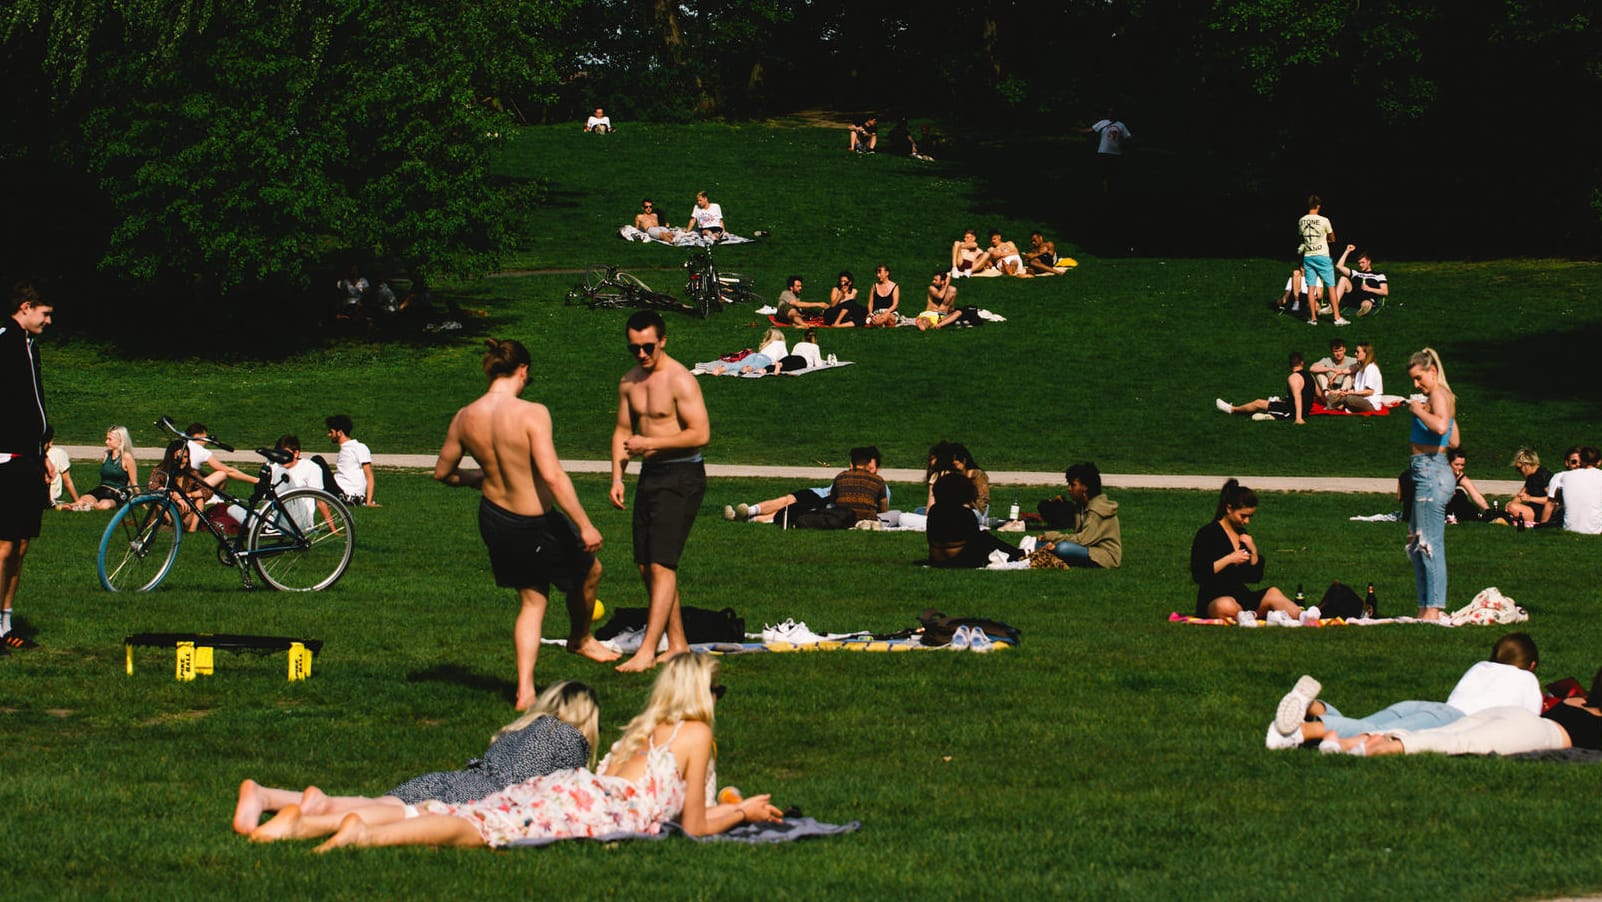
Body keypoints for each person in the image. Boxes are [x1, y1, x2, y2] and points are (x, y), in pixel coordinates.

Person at [257, 654, 783, 850]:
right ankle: (364, 835)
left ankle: (304, 824)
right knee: (481, 831)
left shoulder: (642, 731)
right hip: (600, 807)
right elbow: (690, 824)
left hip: (569, 790)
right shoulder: (694, 734)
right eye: (718, 693)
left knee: (472, 813)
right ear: (700, 696)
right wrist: (741, 812)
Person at [436, 339, 618, 709]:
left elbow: (443, 473)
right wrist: (584, 524)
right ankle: (580, 639)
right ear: (523, 370)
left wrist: (478, 479)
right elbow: (552, 475)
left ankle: (525, 692)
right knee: (591, 571)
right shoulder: (532, 412)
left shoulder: (464, 416)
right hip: (536, 523)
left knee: (533, 601)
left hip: (495, 518)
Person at [235, 680, 601, 835]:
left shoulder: (519, 729)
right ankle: (299, 823)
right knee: (391, 816)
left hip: (451, 778)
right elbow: (531, 788)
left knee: (378, 804)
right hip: (476, 795)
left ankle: (270, 796)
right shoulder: (569, 739)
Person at [611, 311, 710, 673]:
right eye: (634, 348)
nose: (641, 354)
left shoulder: (680, 380)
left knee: (661, 564)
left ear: (663, 340)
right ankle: (679, 644)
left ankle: (647, 651)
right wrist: (616, 477)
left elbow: (700, 433)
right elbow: (622, 431)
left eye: (647, 347)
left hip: (683, 475)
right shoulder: (629, 382)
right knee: (645, 565)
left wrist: (649, 442)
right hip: (650, 475)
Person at [1265, 633, 1541, 750]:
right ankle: (1301, 731)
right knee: (1374, 731)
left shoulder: (1481, 667)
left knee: (1369, 722)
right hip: (1454, 720)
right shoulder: (1527, 681)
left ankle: (1314, 706)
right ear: (1532, 665)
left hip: (1425, 707)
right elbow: (1527, 722)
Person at [1347, 665, 1602, 759]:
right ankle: (1384, 749)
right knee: (1457, 741)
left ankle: (1354, 742)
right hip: (1537, 731)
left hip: (1512, 714)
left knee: (1444, 731)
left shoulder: (1577, 701)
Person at [0, 283, 52, 652]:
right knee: (3, 546)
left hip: (31, 459)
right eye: (45, 314)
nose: (48, 321)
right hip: (7, 459)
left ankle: (5, 623)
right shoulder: (5, 342)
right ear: (26, 307)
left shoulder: (30, 348)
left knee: (20, 546)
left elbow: (34, 403)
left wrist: (44, 450)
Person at [1189, 479, 1305, 623]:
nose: (1246, 521)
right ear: (1229, 509)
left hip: (1241, 596)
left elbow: (1254, 577)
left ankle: (1303, 616)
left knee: (1273, 592)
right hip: (1214, 597)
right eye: (1243, 516)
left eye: (1250, 516)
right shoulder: (1207, 534)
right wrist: (1230, 559)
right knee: (1226, 605)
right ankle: (1252, 617)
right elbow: (1199, 574)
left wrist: (1253, 551)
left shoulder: (1242, 535)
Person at [1405, 347, 1458, 620]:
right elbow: (1454, 438)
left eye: (1419, 378)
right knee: (1417, 543)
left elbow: (1439, 428)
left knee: (1429, 544)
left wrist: (1418, 411)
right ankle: (1425, 606)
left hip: (1430, 471)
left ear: (1432, 372)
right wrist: (1428, 411)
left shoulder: (1439, 393)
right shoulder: (1444, 397)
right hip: (1428, 471)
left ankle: (1433, 609)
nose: (1417, 385)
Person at [727, 446, 888, 527]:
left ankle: (748, 518)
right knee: (786, 501)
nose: (868, 471)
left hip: (826, 502)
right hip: (819, 495)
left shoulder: (880, 485)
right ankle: (748, 512)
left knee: (788, 511)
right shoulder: (845, 477)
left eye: (871, 468)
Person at [927, 473, 1023, 568]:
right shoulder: (965, 513)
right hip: (959, 559)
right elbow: (975, 540)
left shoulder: (934, 511)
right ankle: (1018, 553)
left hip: (937, 558)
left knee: (983, 537)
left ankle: (1017, 553)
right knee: (985, 537)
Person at [1035, 462, 1122, 569]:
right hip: (1088, 548)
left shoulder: (1097, 509)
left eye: (1073, 485)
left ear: (1085, 487)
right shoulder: (1081, 506)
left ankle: (1047, 551)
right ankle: (1040, 549)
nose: (1069, 489)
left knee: (1063, 548)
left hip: (1104, 555)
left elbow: (1083, 540)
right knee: (1039, 544)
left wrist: (1053, 537)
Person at [1215, 351, 1316, 425]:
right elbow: (1318, 394)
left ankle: (1232, 409)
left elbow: (1298, 397)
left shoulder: (1294, 378)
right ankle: (1272, 411)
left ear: (1290, 364)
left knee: (1258, 402)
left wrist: (1298, 418)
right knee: (1277, 401)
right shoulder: (1310, 376)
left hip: (1291, 412)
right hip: (1304, 410)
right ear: (1302, 362)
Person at [1297, 195, 1344, 325]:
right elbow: (1333, 238)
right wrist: (1325, 240)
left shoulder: (1302, 220)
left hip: (1308, 256)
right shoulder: (1324, 220)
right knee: (1331, 287)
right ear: (1318, 206)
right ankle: (1337, 317)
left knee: (1310, 288)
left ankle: (1313, 318)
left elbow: (1303, 237)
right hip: (1322, 255)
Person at [148, 439, 212, 532]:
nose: (183, 461)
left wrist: (190, 495)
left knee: (200, 499)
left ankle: (191, 530)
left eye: (185, 457)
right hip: (167, 509)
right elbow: (152, 487)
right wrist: (174, 495)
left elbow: (208, 490)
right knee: (158, 497)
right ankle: (173, 524)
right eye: (179, 457)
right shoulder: (160, 471)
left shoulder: (191, 473)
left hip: (185, 511)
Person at [70, 425, 137, 510]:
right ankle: (70, 506)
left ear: (120, 440)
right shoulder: (106, 454)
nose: (106, 442)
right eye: (106, 438)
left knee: (104, 505)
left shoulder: (127, 457)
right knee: (82, 500)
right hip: (102, 489)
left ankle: (89, 506)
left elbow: (134, 483)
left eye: (110, 439)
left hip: (118, 492)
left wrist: (142, 502)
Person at [1546, 445, 1602, 534]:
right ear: (1599, 462)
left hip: (1570, 528)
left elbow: (1551, 502)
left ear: (1582, 460)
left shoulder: (1565, 476)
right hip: (1595, 530)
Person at [323, 414, 377, 507]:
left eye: (331, 432)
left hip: (346, 494)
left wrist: (368, 502)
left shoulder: (358, 447)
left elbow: (369, 475)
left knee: (317, 460)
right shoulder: (344, 449)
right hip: (339, 489)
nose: (329, 435)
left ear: (339, 432)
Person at [185, 422, 257, 490]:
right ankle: (212, 498)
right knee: (222, 474)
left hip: (176, 484)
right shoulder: (202, 452)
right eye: (205, 437)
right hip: (186, 487)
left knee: (201, 472)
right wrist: (255, 480)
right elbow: (228, 471)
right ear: (198, 435)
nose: (206, 442)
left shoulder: (181, 445)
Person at [695, 328, 787, 376]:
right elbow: (785, 357)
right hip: (766, 359)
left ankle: (720, 369)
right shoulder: (781, 343)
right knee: (755, 366)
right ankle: (747, 369)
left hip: (755, 355)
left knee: (738, 363)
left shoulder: (767, 345)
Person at [1323, 341, 1383, 412]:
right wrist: (1339, 392)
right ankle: (1342, 406)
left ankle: (1341, 406)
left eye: (1358, 352)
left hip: (1370, 403)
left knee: (1348, 398)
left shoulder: (1371, 369)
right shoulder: (1361, 368)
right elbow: (1350, 371)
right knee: (1333, 395)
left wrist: (1349, 393)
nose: (1355, 354)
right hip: (1359, 398)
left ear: (1366, 353)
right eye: (1355, 351)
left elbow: (1370, 392)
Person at [1505, 447, 1554, 527]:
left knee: (1512, 507)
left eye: (1519, 468)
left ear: (1526, 465)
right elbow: (1521, 494)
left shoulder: (1543, 476)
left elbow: (1552, 500)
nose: (1519, 472)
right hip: (1534, 508)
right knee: (1510, 506)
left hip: (1543, 511)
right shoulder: (1531, 477)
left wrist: (1530, 498)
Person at [1335, 244, 1388, 317]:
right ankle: (1334, 305)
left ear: (1369, 262)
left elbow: (1385, 292)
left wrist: (1369, 289)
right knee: (1343, 278)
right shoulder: (1356, 272)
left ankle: (1362, 311)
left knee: (1366, 304)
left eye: (1363, 262)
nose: (1360, 265)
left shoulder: (1379, 275)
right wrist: (1347, 251)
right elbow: (1339, 266)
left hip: (1367, 297)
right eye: (1359, 263)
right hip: (1353, 295)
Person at [1445, 449, 1491, 523]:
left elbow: (1476, 495)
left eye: (1462, 465)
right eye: (1456, 464)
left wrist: (1487, 510)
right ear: (1449, 463)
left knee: (1461, 495)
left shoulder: (1460, 476)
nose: (1460, 468)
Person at [42, 428, 78, 509]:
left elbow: (67, 481)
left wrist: (77, 502)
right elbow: (67, 481)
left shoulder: (58, 454)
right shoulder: (58, 454)